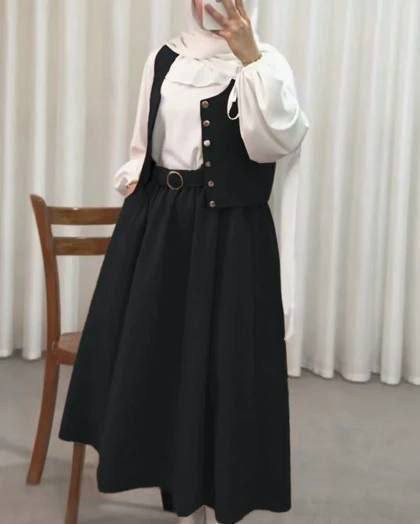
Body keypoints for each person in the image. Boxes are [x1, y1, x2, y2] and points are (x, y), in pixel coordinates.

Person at [58, 1, 309, 523]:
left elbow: (278, 142)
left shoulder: (268, 63)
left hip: (231, 235)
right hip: (159, 228)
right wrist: (135, 194)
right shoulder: (165, 58)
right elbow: (142, 146)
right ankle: (173, 482)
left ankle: (213, 491)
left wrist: (251, 59)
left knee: (221, 362)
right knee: (157, 360)